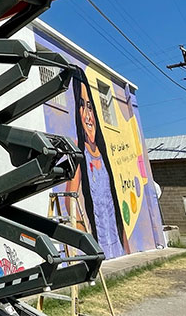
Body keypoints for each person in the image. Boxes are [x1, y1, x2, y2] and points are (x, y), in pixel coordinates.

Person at [66, 70, 127, 259]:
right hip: (98, 241)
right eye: (81, 106)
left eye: (90, 107)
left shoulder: (104, 154)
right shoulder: (79, 153)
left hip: (117, 245)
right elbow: (70, 199)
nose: (87, 115)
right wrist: (85, 240)